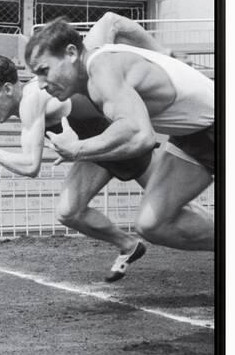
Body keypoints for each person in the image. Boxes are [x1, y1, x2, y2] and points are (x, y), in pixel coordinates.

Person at [0, 13, 174, 282]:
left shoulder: (31, 100)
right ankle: (128, 244)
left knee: (173, 208)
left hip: (119, 139)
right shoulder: (30, 103)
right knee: (68, 212)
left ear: (6, 89)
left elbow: (30, 166)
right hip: (92, 149)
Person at [24, 14, 214, 263]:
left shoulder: (102, 68)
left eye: (44, 71)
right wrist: (163, 52)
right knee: (151, 224)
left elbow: (140, 136)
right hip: (190, 136)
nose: (40, 84)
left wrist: (79, 149)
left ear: (71, 53)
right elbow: (113, 21)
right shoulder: (89, 64)